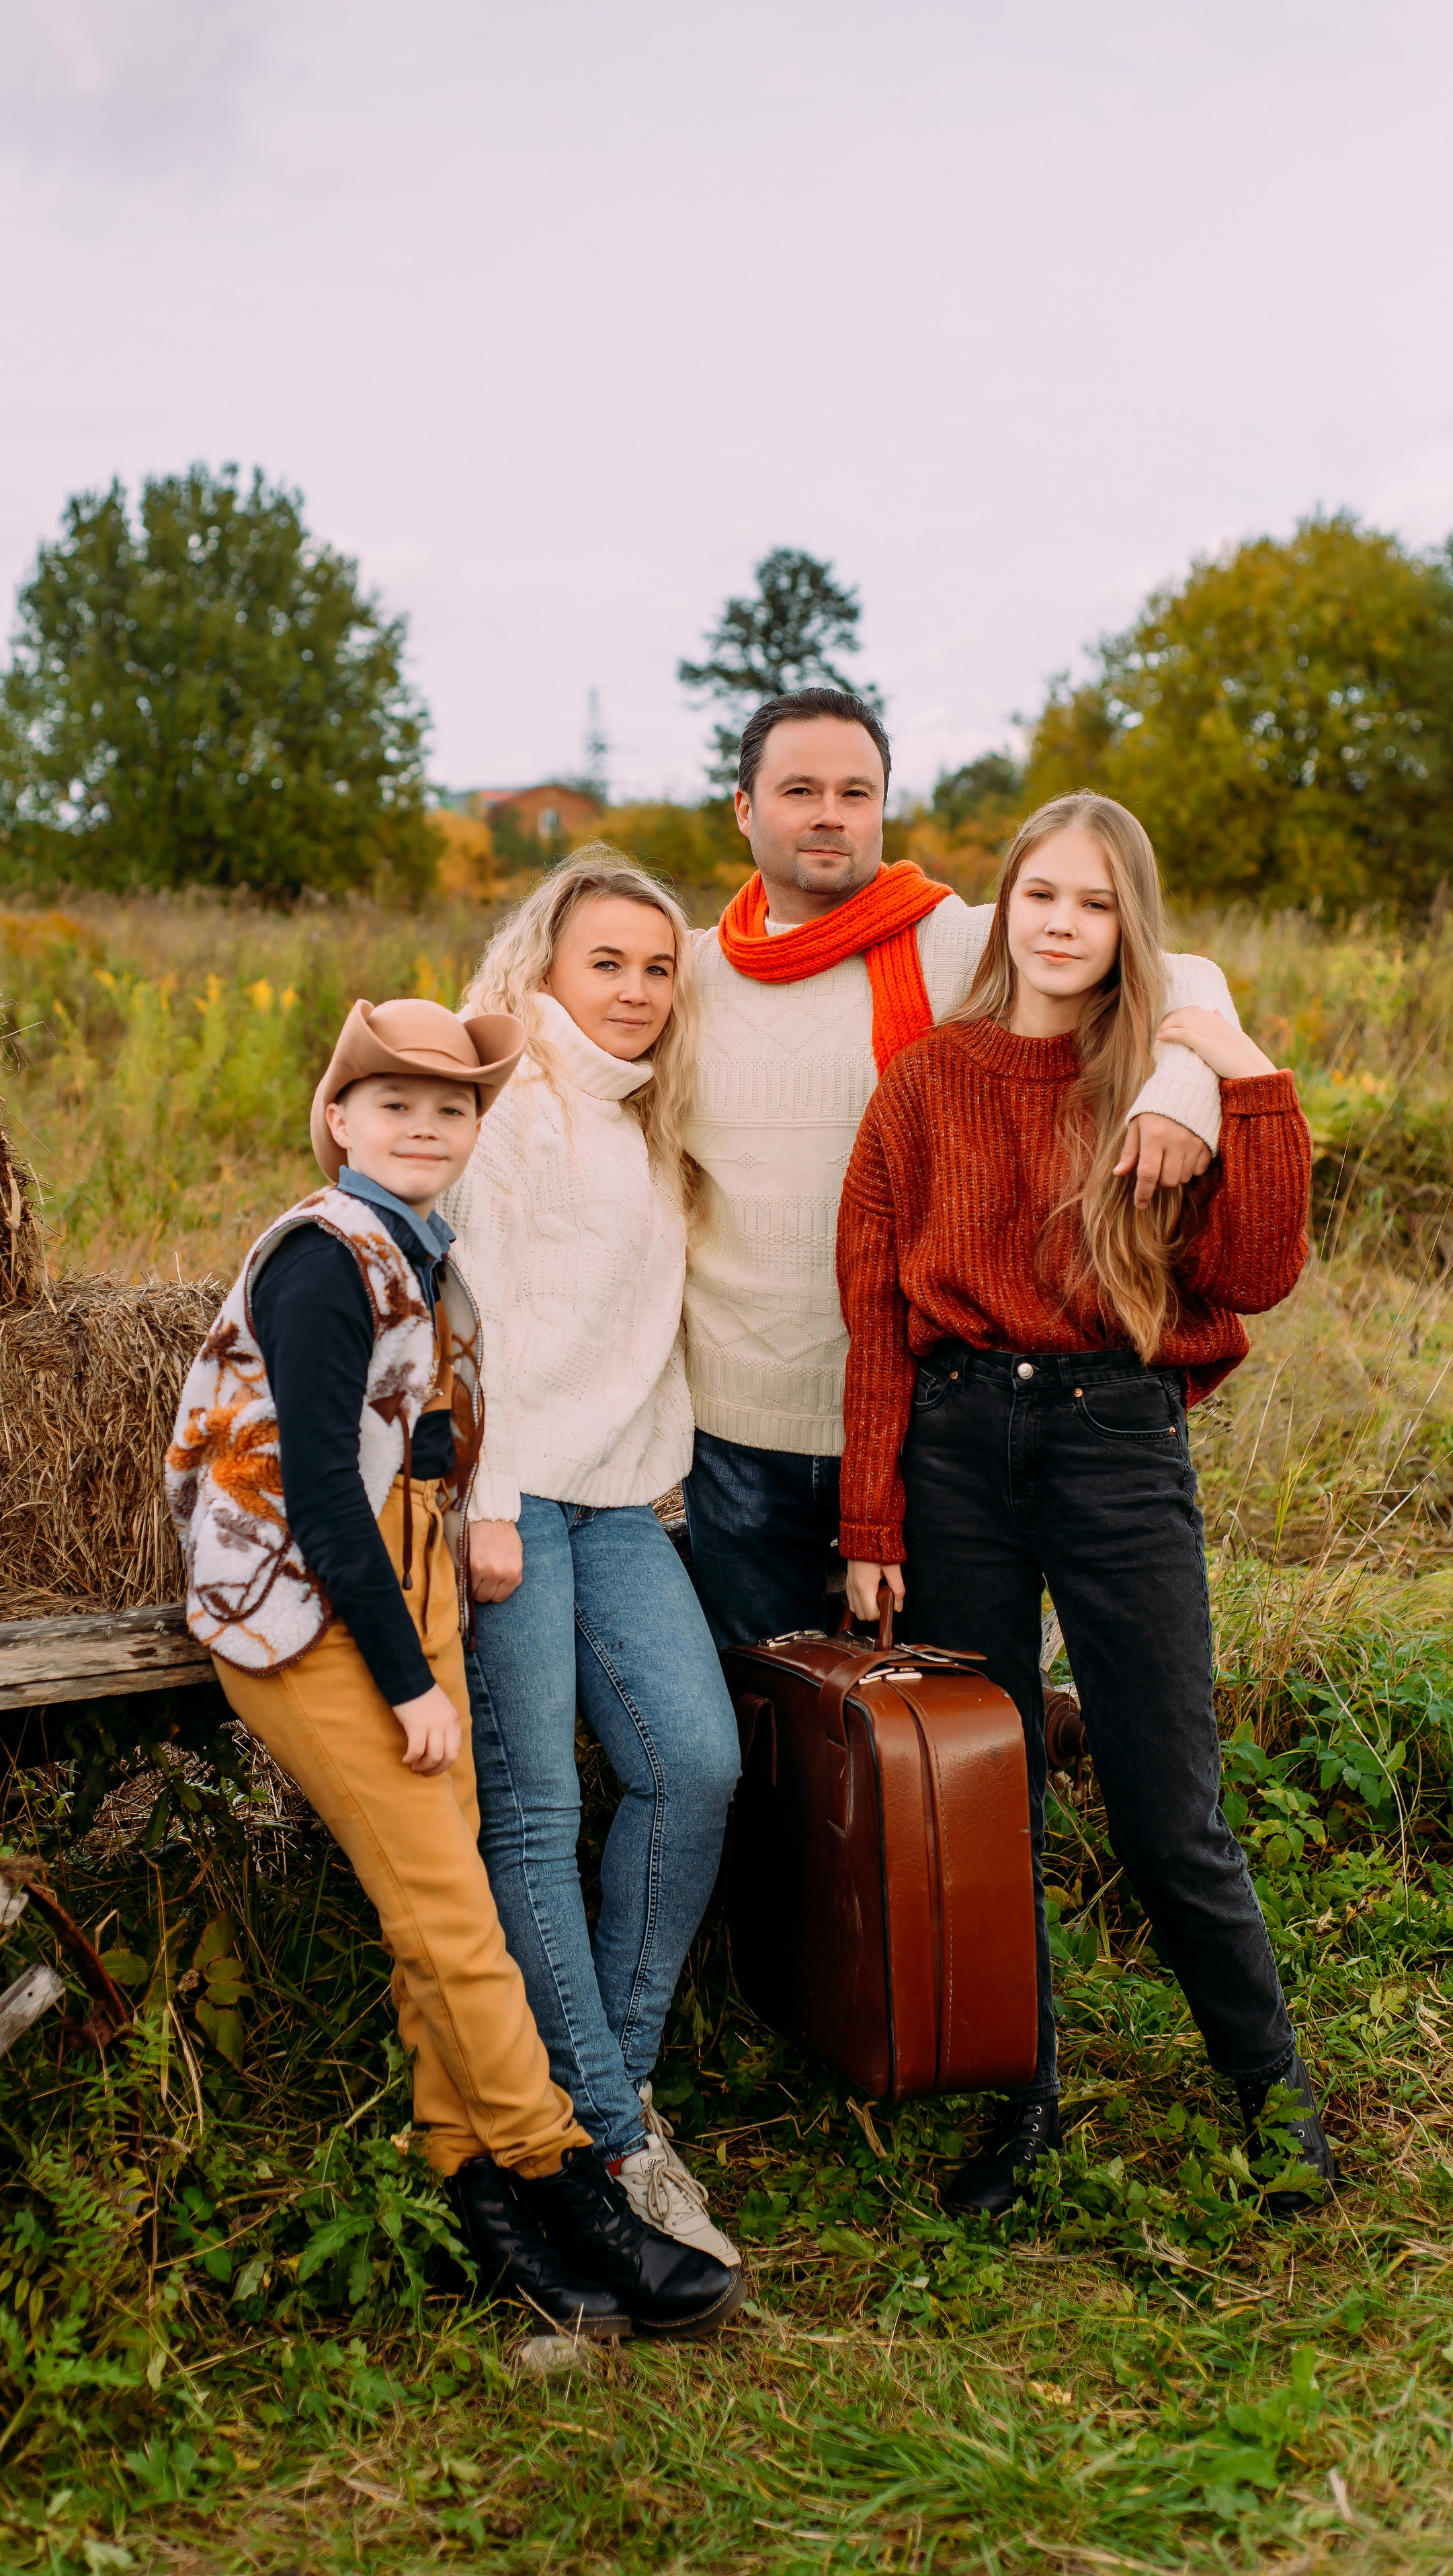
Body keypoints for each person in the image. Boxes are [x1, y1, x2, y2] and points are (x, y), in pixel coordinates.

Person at [165, 994, 743, 2338]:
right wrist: (410, 1679)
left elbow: (410, 1452)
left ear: (476, 1128)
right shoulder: (324, 1255)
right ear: (338, 1119)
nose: (423, 1127)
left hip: (401, 1591)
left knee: (446, 1919)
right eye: (393, 1105)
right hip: (312, 1622)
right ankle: (576, 2193)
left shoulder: (419, 1250)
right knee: (455, 1923)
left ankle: (478, 2202)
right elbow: (314, 1490)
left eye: (449, 1108)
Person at [837, 791, 1338, 2219]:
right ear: (1005, 911)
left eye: (1095, 902)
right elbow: (872, 1313)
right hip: (950, 1449)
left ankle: (1272, 2096)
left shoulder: (1162, 1086)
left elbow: (1254, 1273)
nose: (1061, 924)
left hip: (1111, 1441)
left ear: (1132, 928)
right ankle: (1023, 2102)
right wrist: (869, 1527)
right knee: (987, 1802)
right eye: (1039, 896)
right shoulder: (927, 1081)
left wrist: (1236, 1074)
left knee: (1164, 1801)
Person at [679, 686, 1241, 1655]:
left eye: (856, 792)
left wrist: (1183, 1087)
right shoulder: (685, 974)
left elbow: (1173, 969)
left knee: (934, 1741)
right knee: (771, 1728)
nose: (829, 814)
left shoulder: (945, 939)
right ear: (743, 806)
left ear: (883, 808)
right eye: (799, 789)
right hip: (739, 1431)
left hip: (927, 1423)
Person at [442, 851, 742, 2268]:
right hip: (507, 1503)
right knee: (536, 1805)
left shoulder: (649, 1124)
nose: (630, 991)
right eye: (602, 963)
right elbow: (463, 1310)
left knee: (696, 1763)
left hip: (622, 1501)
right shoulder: (507, 1112)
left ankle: (605, 2099)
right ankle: (613, 2142)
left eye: (653, 967)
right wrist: (484, 1499)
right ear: (544, 967)